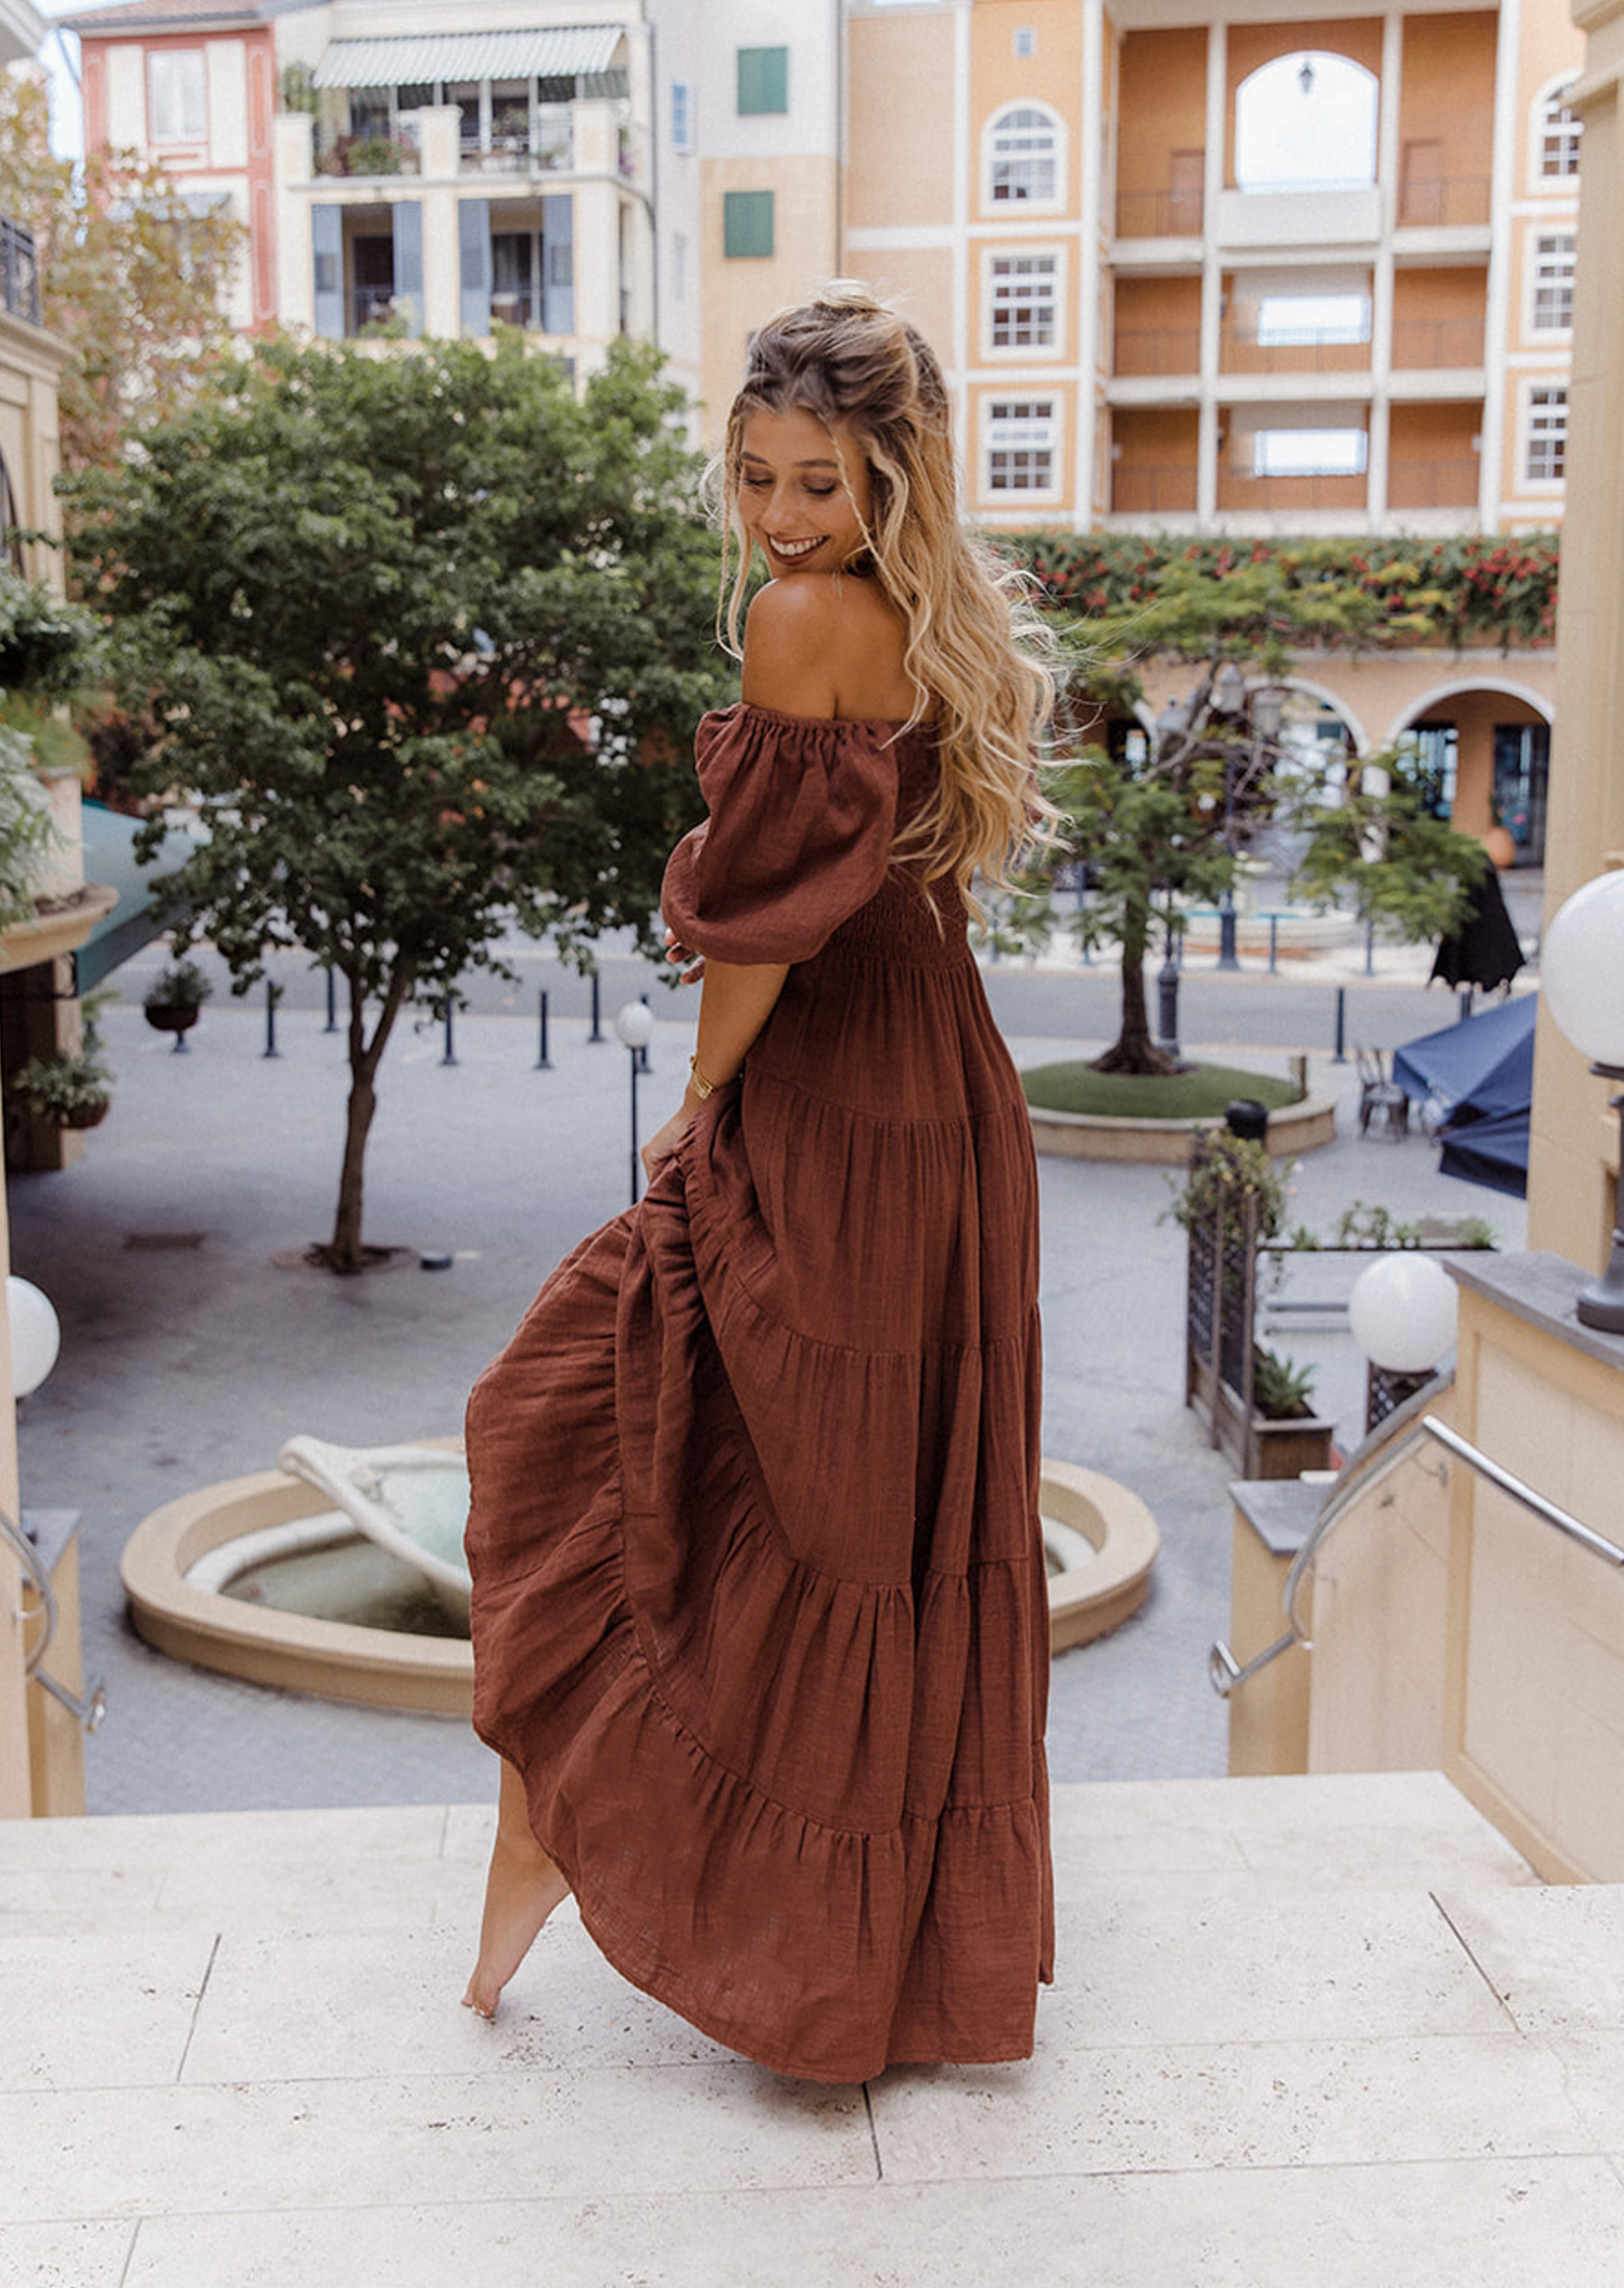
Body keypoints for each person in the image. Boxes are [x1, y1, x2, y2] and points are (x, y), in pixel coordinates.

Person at [461, 283, 1060, 2083]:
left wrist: (697, 1105)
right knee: (848, 1518)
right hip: (940, 1105)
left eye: (824, 481)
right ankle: (826, 1954)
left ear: (894, 478)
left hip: (823, 1103)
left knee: (575, 1423)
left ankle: (576, 1855)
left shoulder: (803, 620)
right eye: (760, 478)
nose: (788, 519)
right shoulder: (923, 621)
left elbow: (758, 931)